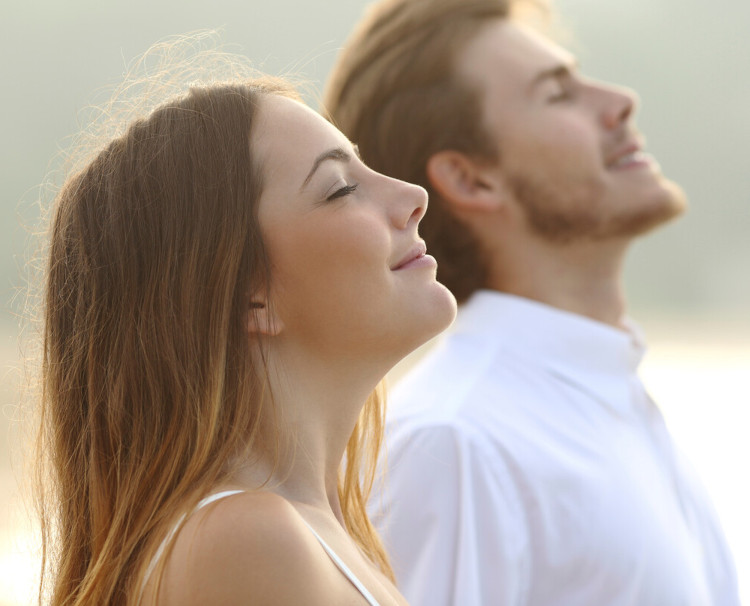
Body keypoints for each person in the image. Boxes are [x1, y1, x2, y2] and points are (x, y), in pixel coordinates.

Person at [325, 0, 740, 606]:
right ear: (471, 180)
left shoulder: (605, 399)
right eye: (558, 93)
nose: (620, 101)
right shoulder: (457, 442)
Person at [35, 67, 457, 605]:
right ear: (249, 296)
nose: (413, 195)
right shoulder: (244, 541)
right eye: (342, 188)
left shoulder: (322, 534)